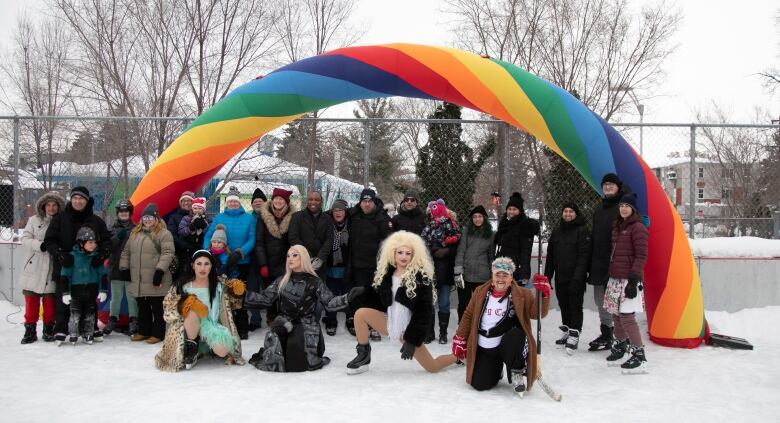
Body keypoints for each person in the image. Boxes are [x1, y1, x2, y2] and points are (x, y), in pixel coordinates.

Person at [346, 231, 459, 375]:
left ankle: (458, 357)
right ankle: (363, 356)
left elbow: (423, 313)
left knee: (432, 367)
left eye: (408, 253)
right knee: (360, 314)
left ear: (414, 255)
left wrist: (412, 340)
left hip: (408, 330)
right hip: (389, 323)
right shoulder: (387, 274)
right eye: (400, 252)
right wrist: (360, 292)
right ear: (393, 253)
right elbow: (378, 299)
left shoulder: (421, 278)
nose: (404, 257)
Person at [245, 245, 360, 372]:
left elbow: (330, 302)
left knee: (296, 353)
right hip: (283, 323)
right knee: (274, 339)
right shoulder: (282, 280)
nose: (290, 258)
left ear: (303, 258)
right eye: (288, 256)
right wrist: (242, 295)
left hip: (307, 325)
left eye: (295, 255)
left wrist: (348, 297)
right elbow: (265, 299)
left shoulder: (315, 281)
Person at [451, 257, 551, 398]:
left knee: (517, 334)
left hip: (507, 343)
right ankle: (497, 370)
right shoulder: (480, 292)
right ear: (492, 276)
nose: (501, 279)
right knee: (479, 384)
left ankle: (517, 370)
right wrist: (460, 338)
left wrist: (544, 296)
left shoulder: (522, 294)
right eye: (498, 274)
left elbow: (536, 314)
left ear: (511, 278)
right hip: (485, 345)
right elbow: (468, 315)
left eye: (506, 275)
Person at [155, 249, 246, 372]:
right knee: (191, 310)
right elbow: (168, 309)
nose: (202, 268)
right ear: (193, 266)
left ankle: (208, 347)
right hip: (189, 327)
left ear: (211, 266)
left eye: (206, 264)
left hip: (212, 326)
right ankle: (192, 345)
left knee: (222, 351)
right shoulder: (183, 286)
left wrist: (237, 293)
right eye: (199, 264)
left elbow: (234, 304)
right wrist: (184, 304)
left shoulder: (219, 285)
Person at [43, 186, 112, 345]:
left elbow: (107, 241)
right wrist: (60, 254)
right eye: (75, 198)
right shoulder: (60, 218)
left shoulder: (96, 221)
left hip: (89, 271)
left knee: (88, 300)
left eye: (81, 198)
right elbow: (50, 240)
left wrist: (101, 256)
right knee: (64, 299)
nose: (78, 201)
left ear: (87, 201)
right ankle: (61, 328)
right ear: (71, 199)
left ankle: (89, 327)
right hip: (66, 266)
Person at [603, 193, 649, 373]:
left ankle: (639, 355)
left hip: (629, 280)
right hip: (615, 278)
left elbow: (642, 255)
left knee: (627, 317)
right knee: (616, 315)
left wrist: (633, 279)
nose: (623, 208)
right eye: (621, 205)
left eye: (627, 206)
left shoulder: (637, 228)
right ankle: (621, 347)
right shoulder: (617, 226)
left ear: (633, 209)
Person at [203, 186, 255, 339]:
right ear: (226, 203)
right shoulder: (219, 218)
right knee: (222, 293)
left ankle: (242, 326)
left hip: (241, 261)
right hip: (220, 261)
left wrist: (240, 252)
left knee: (239, 293)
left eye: (235, 202)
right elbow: (208, 236)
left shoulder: (248, 218)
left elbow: (252, 238)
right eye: (230, 201)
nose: (233, 204)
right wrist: (209, 254)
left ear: (240, 203)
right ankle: (224, 323)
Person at [119, 203, 175, 344]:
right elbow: (126, 251)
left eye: (150, 217)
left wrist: (160, 270)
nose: (147, 220)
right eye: (145, 217)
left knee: (157, 308)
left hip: (156, 278)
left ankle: (158, 333)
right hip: (139, 278)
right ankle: (143, 331)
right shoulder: (135, 233)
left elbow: (168, 253)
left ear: (156, 218)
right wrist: (124, 268)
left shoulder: (164, 233)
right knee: (142, 307)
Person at [587, 173, 630, 351]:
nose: (608, 187)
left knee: (616, 301)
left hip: (615, 262)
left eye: (611, 184)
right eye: (605, 185)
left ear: (618, 187)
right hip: (598, 261)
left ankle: (623, 337)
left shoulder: (623, 206)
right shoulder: (600, 208)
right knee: (600, 299)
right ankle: (606, 333)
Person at [544, 202, 591, 354]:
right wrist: (547, 276)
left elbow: (584, 256)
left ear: (576, 214)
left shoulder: (582, 230)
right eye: (565, 211)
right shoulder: (557, 231)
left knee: (575, 306)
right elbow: (551, 255)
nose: (568, 214)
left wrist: (578, 278)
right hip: (560, 276)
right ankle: (567, 330)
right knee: (564, 305)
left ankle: (575, 334)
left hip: (575, 277)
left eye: (571, 211)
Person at [347, 188, 393, 341]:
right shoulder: (354, 216)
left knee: (374, 296)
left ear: (374, 202)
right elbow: (336, 213)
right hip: (358, 264)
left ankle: (374, 325)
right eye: (364, 201)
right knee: (359, 295)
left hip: (375, 266)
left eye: (369, 201)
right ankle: (361, 324)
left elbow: (389, 242)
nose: (366, 205)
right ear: (360, 203)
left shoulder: (382, 218)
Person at [19, 191, 65, 344]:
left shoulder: (62, 222)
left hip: (52, 264)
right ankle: (30, 331)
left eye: (54, 205)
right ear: (43, 206)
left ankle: (48, 329)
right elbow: (25, 238)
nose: (51, 208)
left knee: (50, 301)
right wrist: (40, 245)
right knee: (31, 301)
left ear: (59, 207)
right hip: (35, 265)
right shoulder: (34, 220)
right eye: (48, 205)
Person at [420, 199, 461, 344]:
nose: (432, 212)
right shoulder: (427, 226)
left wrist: (446, 251)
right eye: (430, 210)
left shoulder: (450, 224)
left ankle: (443, 333)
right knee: (430, 302)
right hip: (430, 270)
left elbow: (457, 245)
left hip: (445, 269)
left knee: (444, 302)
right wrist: (432, 250)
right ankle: (429, 333)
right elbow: (422, 245)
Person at [60, 226, 109, 345]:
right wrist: (65, 293)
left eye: (94, 243)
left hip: (91, 292)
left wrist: (103, 290)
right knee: (75, 315)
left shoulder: (95, 257)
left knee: (90, 315)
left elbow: (103, 274)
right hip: (76, 292)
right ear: (81, 243)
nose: (93, 245)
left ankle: (88, 333)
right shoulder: (72, 256)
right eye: (90, 242)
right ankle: (73, 333)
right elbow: (65, 275)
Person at [255, 187, 296, 325]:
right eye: (276, 198)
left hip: (285, 262)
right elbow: (259, 242)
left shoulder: (293, 218)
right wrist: (262, 264)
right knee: (270, 293)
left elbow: (293, 240)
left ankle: (284, 316)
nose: (278, 201)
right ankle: (271, 316)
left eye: (281, 199)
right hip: (268, 260)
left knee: (284, 292)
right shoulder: (263, 217)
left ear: (286, 202)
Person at [454, 205, 494, 323]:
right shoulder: (466, 231)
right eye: (475, 217)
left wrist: (493, 275)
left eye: (480, 216)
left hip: (482, 275)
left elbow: (491, 255)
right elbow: (461, 251)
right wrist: (458, 271)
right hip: (465, 274)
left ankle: (478, 329)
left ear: (484, 218)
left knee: (480, 304)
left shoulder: (490, 234)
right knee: (464, 305)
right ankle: (462, 329)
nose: (477, 219)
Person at [105, 200, 138, 336]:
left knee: (131, 297)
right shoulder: (112, 228)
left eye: (126, 211)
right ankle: (113, 319)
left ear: (130, 213)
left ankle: (133, 321)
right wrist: (117, 237)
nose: (123, 214)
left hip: (131, 268)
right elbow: (107, 246)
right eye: (121, 212)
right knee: (116, 297)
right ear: (118, 213)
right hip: (115, 268)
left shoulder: (136, 229)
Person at [494, 192, 539, 287]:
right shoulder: (504, 224)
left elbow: (525, 252)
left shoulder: (524, 226)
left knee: (516, 299)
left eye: (514, 209)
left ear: (520, 211)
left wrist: (524, 275)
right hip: (502, 268)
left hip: (517, 270)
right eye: (509, 209)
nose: (511, 212)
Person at [288, 191, 334, 280]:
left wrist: (320, 258)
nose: (313, 202)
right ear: (307, 201)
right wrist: (307, 256)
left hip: (320, 264)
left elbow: (329, 239)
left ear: (321, 202)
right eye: (310, 199)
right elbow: (293, 238)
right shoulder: (297, 217)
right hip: (301, 262)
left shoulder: (328, 219)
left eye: (317, 200)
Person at [323, 199, 350, 336]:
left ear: (345, 212)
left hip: (347, 267)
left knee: (348, 295)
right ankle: (331, 320)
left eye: (340, 210)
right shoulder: (327, 224)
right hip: (331, 267)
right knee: (331, 295)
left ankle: (350, 320)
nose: (338, 213)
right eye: (335, 210)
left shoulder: (351, 225)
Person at [247, 188, 267, 331]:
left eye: (260, 201)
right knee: (252, 289)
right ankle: (255, 319)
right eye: (255, 201)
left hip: (268, 257)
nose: (258, 203)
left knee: (268, 289)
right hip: (251, 258)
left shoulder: (270, 216)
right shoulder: (249, 217)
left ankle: (271, 317)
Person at [166, 190, 195, 280]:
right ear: (180, 203)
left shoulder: (198, 216)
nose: (186, 203)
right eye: (183, 201)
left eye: (189, 200)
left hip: (195, 251)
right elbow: (172, 235)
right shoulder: (174, 217)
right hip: (180, 252)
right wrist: (184, 246)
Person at [178, 197, 210, 261]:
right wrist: (190, 227)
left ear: (204, 210)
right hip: (189, 247)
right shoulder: (187, 218)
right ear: (192, 209)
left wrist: (205, 227)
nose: (197, 210)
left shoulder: (207, 219)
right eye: (195, 208)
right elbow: (181, 231)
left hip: (201, 246)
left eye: (200, 208)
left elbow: (210, 233)